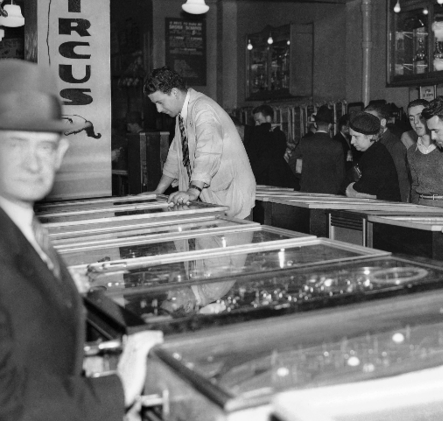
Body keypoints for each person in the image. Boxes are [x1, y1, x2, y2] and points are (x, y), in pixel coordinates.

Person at [0, 59, 162, 421]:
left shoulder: (27, 228)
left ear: (60, 155)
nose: (32, 163)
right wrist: (118, 388)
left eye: (44, 148)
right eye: (15, 145)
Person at [144, 66, 256, 219]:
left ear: (174, 92)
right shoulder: (182, 115)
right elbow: (176, 155)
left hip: (230, 200)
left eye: (160, 102)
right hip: (211, 200)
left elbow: (208, 152)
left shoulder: (203, 110)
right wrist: (158, 191)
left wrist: (193, 191)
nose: (158, 109)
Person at [288, 105, 345, 194]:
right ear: (330, 126)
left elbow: (292, 162)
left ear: (315, 124)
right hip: (329, 192)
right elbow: (340, 174)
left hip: (307, 190)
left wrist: (302, 176)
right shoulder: (337, 146)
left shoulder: (304, 142)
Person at [345, 112, 401, 202]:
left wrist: (350, 187)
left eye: (356, 137)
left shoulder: (377, 155)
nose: (352, 141)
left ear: (370, 136)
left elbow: (365, 188)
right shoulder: (371, 151)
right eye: (351, 137)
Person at [405, 99, 443, 208]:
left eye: (420, 116)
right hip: (421, 206)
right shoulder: (412, 151)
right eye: (411, 118)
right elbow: (414, 186)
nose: (416, 122)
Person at [364, 100, 410, 202]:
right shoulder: (370, 143)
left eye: (371, 121)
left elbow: (401, 182)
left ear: (383, 122)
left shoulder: (394, 146)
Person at [247, 104, 295, 188]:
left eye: (258, 121)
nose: (256, 125)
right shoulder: (274, 135)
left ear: (268, 119)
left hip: (273, 180)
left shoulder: (277, 135)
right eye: (255, 122)